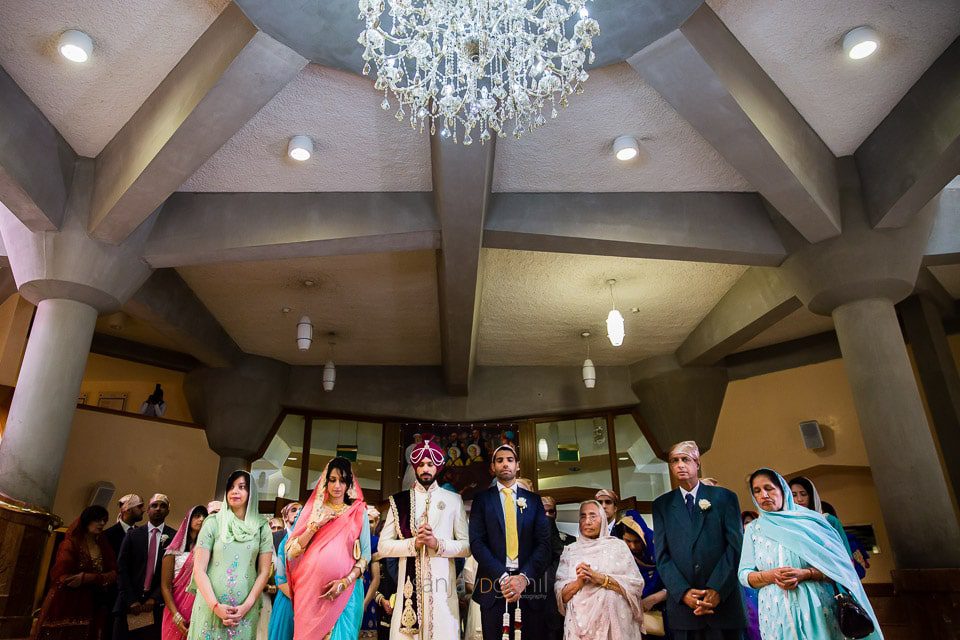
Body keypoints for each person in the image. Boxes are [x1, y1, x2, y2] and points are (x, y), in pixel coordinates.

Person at [738, 469, 882, 639]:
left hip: (818, 608)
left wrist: (806, 574)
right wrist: (771, 575)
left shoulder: (813, 522)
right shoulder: (754, 530)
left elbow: (841, 567)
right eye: (757, 491)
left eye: (769, 488)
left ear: (782, 490)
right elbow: (744, 574)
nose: (763, 495)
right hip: (775, 614)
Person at [379, 438, 470, 640]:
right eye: (421, 465)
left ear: (437, 467)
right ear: (415, 468)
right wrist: (414, 544)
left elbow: (466, 547)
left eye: (430, 464)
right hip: (408, 594)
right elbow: (383, 546)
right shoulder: (399, 501)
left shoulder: (453, 500)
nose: (425, 469)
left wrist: (437, 544)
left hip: (442, 592)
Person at [652, 441, 745, 640]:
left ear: (697, 463)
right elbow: (662, 556)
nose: (679, 465)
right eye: (674, 461)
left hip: (724, 603)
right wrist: (683, 592)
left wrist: (717, 589)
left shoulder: (724, 497)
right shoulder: (662, 505)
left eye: (685, 459)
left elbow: (735, 546)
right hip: (685, 610)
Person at [469, 443, 551, 640]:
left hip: (529, 588)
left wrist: (523, 578)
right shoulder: (482, 500)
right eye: (500, 460)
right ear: (493, 467)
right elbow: (477, 543)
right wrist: (504, 578)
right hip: (494, 584)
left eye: (510, 460)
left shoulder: (533, 500)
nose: (505, 464)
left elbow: (544, 544)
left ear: (518, 466)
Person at [285, 457, 372, 640]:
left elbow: (365, 556)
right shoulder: (313, 511)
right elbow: (291, 552)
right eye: (332, 480)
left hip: (344, 592)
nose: (337, 486)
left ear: (349, 484)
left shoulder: (358, 511)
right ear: (326, 481)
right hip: (310, 594)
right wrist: (315, 526)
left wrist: (345, 582)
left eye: (342, 480)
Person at [188, 471, 273, 640]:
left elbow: (264, 571)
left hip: (245, 611)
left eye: (241, 487)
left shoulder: (262, 527)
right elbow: (199, 569)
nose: (235, 491)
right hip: (211, 607)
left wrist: (246, 607)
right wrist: (215, 606)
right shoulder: (212, 523)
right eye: (231, 487)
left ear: (251, 493)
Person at [555, 500, 645, 640]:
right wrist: (579, 582)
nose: (587, 521)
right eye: (583, 516)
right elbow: (562, 597)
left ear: (602, 519)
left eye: (592, 516)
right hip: (579, 628)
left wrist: (600, 578)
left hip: (616, 627)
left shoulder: (618, 546)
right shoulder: (570, 551)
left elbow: (636, 585)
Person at [34, 505, 118, 640]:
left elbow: (113, 573)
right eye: (97, 520)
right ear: (87, 521)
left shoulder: (103, 546)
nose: (102, 523)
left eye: (104, 520)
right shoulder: (71, 544)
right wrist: (98, 578)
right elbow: (62, 577)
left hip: (93, 601)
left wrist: (88, 578)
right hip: (67, 600)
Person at [114, 494, 176, 640]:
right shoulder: (133, 535)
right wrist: (131, 600)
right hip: (128, 604)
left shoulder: (174, 537)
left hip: (155, 607)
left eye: (163, 506)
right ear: (147, 510)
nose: (158, 509)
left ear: (168, 511)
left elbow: (172, 573)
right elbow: (121, 568)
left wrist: (154, 598)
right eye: (154, 505)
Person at [159, 506, 208, 640]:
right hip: (175, 607)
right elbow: (165, 586)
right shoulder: (173, 551)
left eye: (204, 516)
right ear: (188, 519)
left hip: (198, 607)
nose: (201, 519)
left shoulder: (207, 551)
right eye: (197, 516)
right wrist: (176, 615)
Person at [616, 513, 668, 636]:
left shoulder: (657, 548)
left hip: (662, 612)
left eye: (637, 541)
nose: (632, 546)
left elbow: (677, 582)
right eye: (628, 541)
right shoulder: (619, 555)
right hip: (630, 613)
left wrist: (655, 598)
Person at [788, 477, 854, 557]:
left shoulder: (828, 520)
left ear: (811, 496)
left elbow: (845, 551)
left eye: (803, 494)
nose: (799, 499)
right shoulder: (788, 522)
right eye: (794, 495)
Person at [267, 511, 295, 640]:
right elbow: (281, 579)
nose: (298, 514)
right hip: (286, 597)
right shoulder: (281, 541)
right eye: (293, 510)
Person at [360, 505, 383, 639]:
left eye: (371, 522)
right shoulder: (351, 539)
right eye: (365, 521)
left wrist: (365, 603)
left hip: (366, 595)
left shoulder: (374, 542)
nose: (368, 525)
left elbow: (376, 579)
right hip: (347, 595)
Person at [105, 494, 145, 559]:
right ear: (128, 510)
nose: (143, 510)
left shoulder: (143, 534)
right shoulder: (108, 535)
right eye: (139, 507)